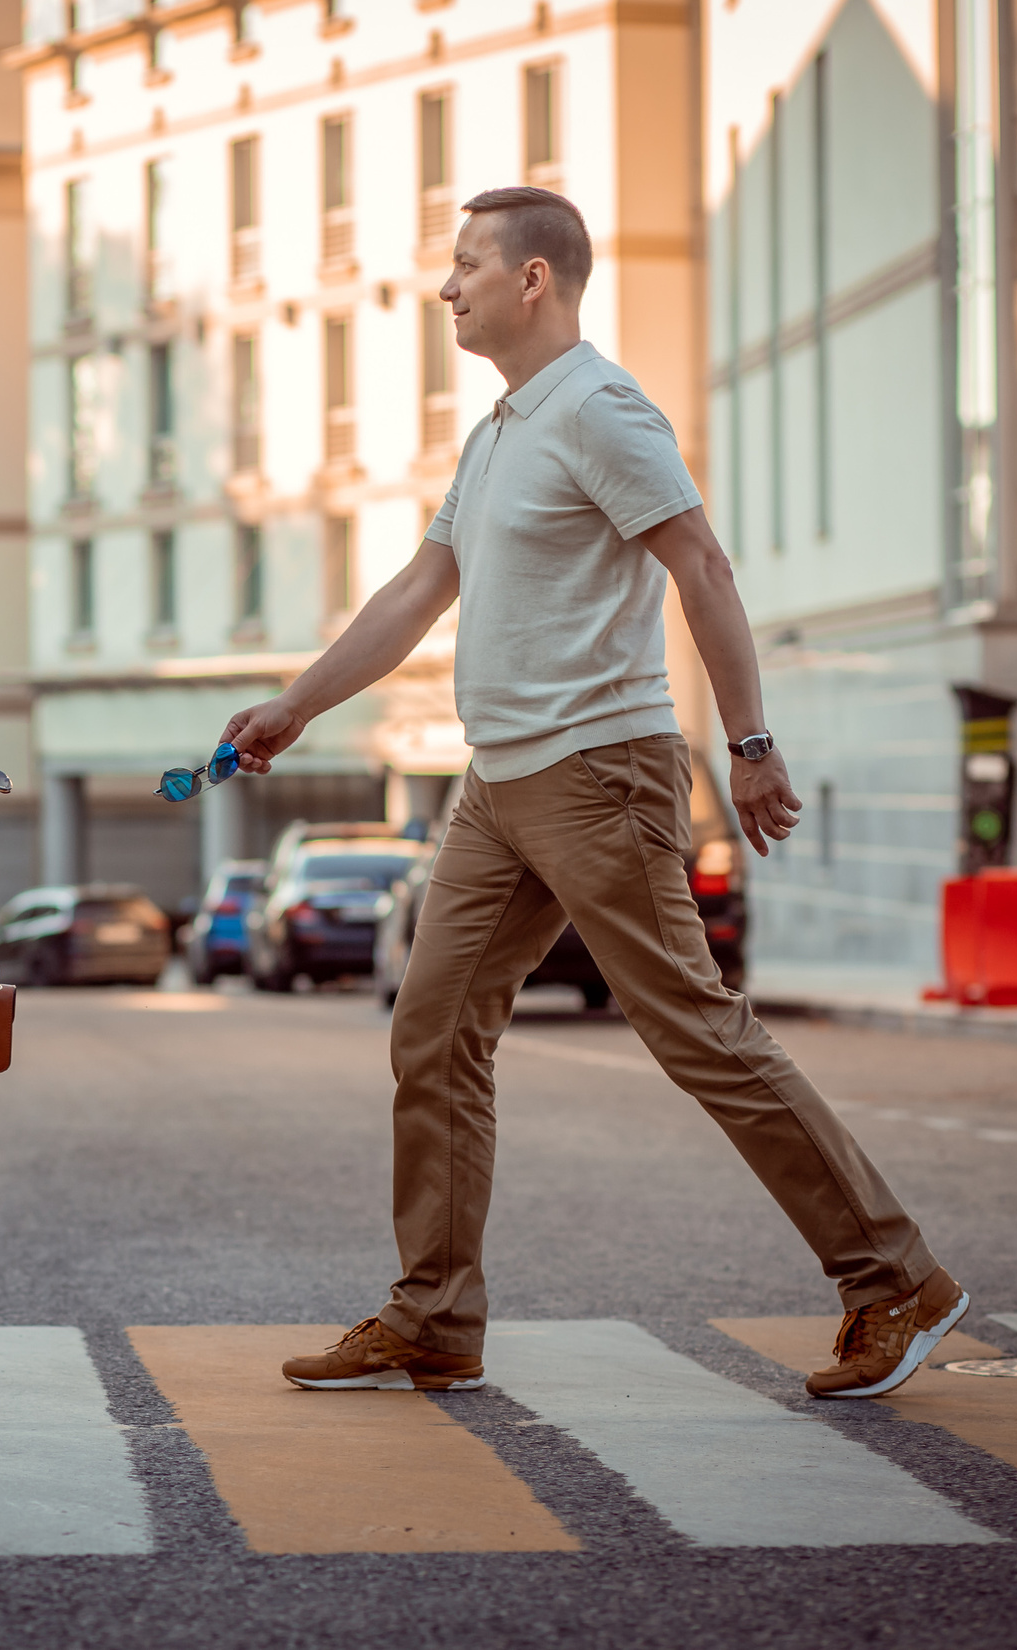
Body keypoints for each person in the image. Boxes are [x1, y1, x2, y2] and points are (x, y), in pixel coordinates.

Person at [222, 187, 966, 1402]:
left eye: (466, 264)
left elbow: (701, 566)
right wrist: (297, 706)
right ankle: (434, 1316)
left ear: (534, 280)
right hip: (499, 781)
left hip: (599, 768)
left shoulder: (602, 408)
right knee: (431, 1031)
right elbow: (419, 591)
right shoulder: (501, 430)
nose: (445, 286)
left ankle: (895, 1280)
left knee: (692, 1028)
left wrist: (750, 740)